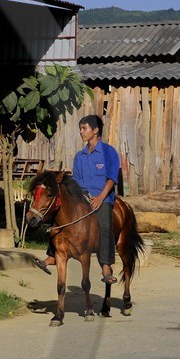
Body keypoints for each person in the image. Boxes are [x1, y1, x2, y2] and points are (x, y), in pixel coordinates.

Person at [35, 114, 122, 283]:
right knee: (58, 216)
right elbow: (78, 180)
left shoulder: (108, 151)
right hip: (83, 197)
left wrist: (100, 197)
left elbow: (112, 177)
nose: (81, 132)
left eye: (84, 129)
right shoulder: (79, 156)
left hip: (103, 197)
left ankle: (105, 265)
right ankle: (52, 256)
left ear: (95, 130)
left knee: (104, 224)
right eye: (80, 129)